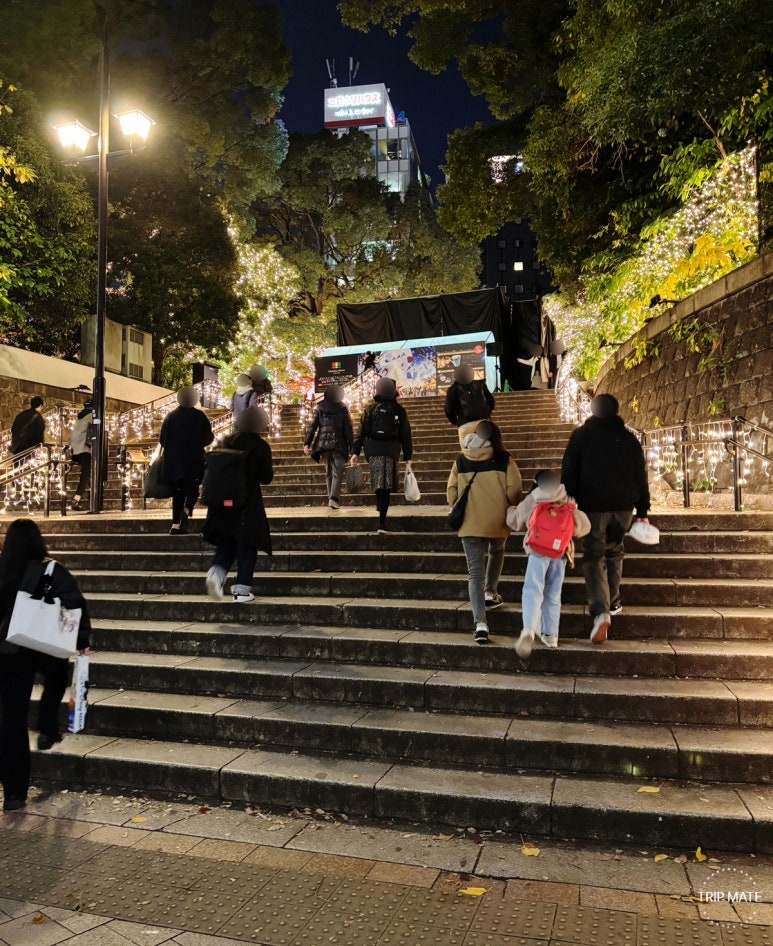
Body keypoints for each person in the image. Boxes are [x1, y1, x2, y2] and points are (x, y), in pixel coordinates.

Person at [0, 519, 91, 812]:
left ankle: (13, 789)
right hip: (34, 649)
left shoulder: (3, 570)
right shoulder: (51, 569)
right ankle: (46, 728)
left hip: (7, 652)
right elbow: (75, 604)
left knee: (9, 723)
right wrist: (82, 639)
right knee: (53, 679)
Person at [561, 393, 650, 644]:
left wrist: (570, 496)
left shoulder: (581, 436)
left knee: (594, 556)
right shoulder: (629, 438)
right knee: (615, 551)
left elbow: (569, 469)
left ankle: (601, 612)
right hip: (623, 507)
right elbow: (640, 475)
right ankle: (612, 601)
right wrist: (642, 510)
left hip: (593, 507)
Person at [446, 419, 522, 644]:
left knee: (474, 573)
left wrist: (457, 504)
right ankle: (490, 591)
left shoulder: (461, 459)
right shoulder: (504, 458)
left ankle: (480, 623)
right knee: (497, 549)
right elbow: (514, 490)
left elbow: (451, 491)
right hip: (497, 518)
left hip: (470, 521)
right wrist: (507, 504)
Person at [507, 469, 590, 658]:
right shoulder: (568, 497)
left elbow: (515, 521)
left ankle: (529, 629)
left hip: (537, 550)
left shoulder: (535, 498)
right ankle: (551, 636)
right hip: (560, 551)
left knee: (532, 590)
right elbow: (583, 527)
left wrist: (511, 509)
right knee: (553, 593)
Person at [204, 406, 273, 603]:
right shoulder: (260, 446)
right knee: (248, 545)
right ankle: (241, 591)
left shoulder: (225, 440)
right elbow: (266, 477)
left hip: (221, 504)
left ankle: (216, 574)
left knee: (226, 542)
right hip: (247, 504)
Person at [351, 377, 413, 534]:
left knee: (379, 481)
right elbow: (405, 434)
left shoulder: (370, 409)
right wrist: (408, 456)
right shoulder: (399, 410)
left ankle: (380, 509)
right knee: (385, 485)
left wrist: (355, 452)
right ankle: (382, 522)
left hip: (372, 450)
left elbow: (361, 432)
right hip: (390, 449)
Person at [159, 386, 214, 535]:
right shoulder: (199, 416)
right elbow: (208, 438)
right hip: (193, 459)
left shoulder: (170, 416)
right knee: (193, 490)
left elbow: (162, 440)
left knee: (177, 494)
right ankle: (187, 508)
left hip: (173, 462)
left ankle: (175, 525)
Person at [303, 383, 353, 509]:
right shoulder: (343, 408)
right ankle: (333, 498)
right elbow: (348, 428)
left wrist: (307, 443)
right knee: (338, 471)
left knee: (328, 472)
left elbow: (313, 426)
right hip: (338, 443)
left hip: (323, 444)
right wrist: (353, 448)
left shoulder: (320, 407)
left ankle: (331, 498)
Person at [444, 365, 495, 444]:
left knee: (468, 452)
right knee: (488, 451)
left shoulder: (452, 390)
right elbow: (491, 401)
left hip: (465, 424)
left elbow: (449, 409)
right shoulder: (481, 384)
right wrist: (487, 413)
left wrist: (455, 422)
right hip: (484, 422)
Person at [68, 399, 93, 511]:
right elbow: (94, 431)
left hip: (75, 450)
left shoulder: (79, 418)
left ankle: (87, 498)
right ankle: (77, 499)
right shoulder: (93, 416)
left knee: (88, 474)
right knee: (87, 474)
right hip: (85, 449)